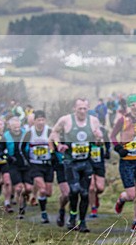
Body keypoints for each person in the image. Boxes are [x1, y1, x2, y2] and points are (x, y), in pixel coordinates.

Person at [49, 98, 104, 232]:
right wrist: (58, 145)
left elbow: (100, 142)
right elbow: (53, 133)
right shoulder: (66, 120)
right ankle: (72, 216)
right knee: (74, 191)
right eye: (80, 108)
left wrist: (98, 139)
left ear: (88, 108)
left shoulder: (93, 121)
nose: (82, 111)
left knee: (85, 193)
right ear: (75, 108)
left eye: (85, 108)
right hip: (70, 162)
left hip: (86, 162)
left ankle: (82, 222)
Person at [110, 94, 136, 233]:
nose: (135, 107)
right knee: (132, 195)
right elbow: (112, 136)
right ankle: (122, 198)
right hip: (126, 161)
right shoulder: (123, 119)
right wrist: (118, 148)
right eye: (132, 104)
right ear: (129, 106)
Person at [19, 110, 55, 223]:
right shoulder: (29, 133)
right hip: (35, 165)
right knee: (43, 190)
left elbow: (56, 144)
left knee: (48, 192)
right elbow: (21, 148)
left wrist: (53, 154)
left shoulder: (49, 131)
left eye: (42, 120)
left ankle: (37, 198)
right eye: (38, 120)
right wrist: (28, 161)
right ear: (34, 121)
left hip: (47, 165)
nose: (41, 122)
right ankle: (43, 213)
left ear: (45, 120)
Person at [2, 117, 30, 219]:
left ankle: (25, 199)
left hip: (26, 164)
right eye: (14, 127)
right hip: (13, 165)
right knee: (19, 188)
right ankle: (21, 208)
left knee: (28, 188)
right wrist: (7, 157)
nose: (16, 129)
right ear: (10, 126)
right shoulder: (6, 136)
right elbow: (0, 150)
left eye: (18, 126)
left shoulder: (26, 134)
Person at [88, 125, 110, 218]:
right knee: (91, 187)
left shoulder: (102, 131)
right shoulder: (86, 132)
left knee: (100, 188)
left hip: (99, 163)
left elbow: (107, 142)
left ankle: (95, 197)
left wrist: (107, 151)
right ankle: (93, 208)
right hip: (88, 163)